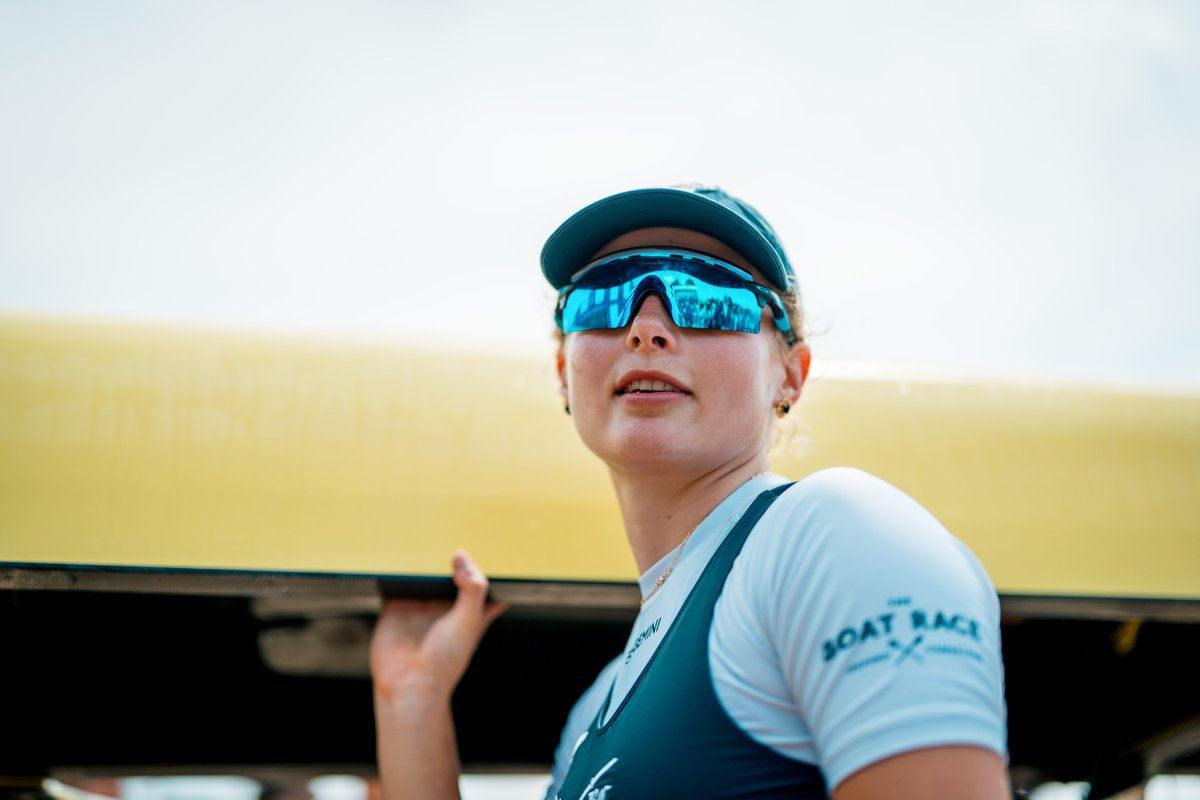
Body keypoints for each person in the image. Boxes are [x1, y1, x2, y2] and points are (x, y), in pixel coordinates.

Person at [370, 185, 1009, 799]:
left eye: (709, 297)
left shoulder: (836, 534)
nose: (646, 329)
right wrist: (413, 703)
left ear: (790, 373)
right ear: (565, 372)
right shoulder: (596, 708)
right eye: (602, 298)